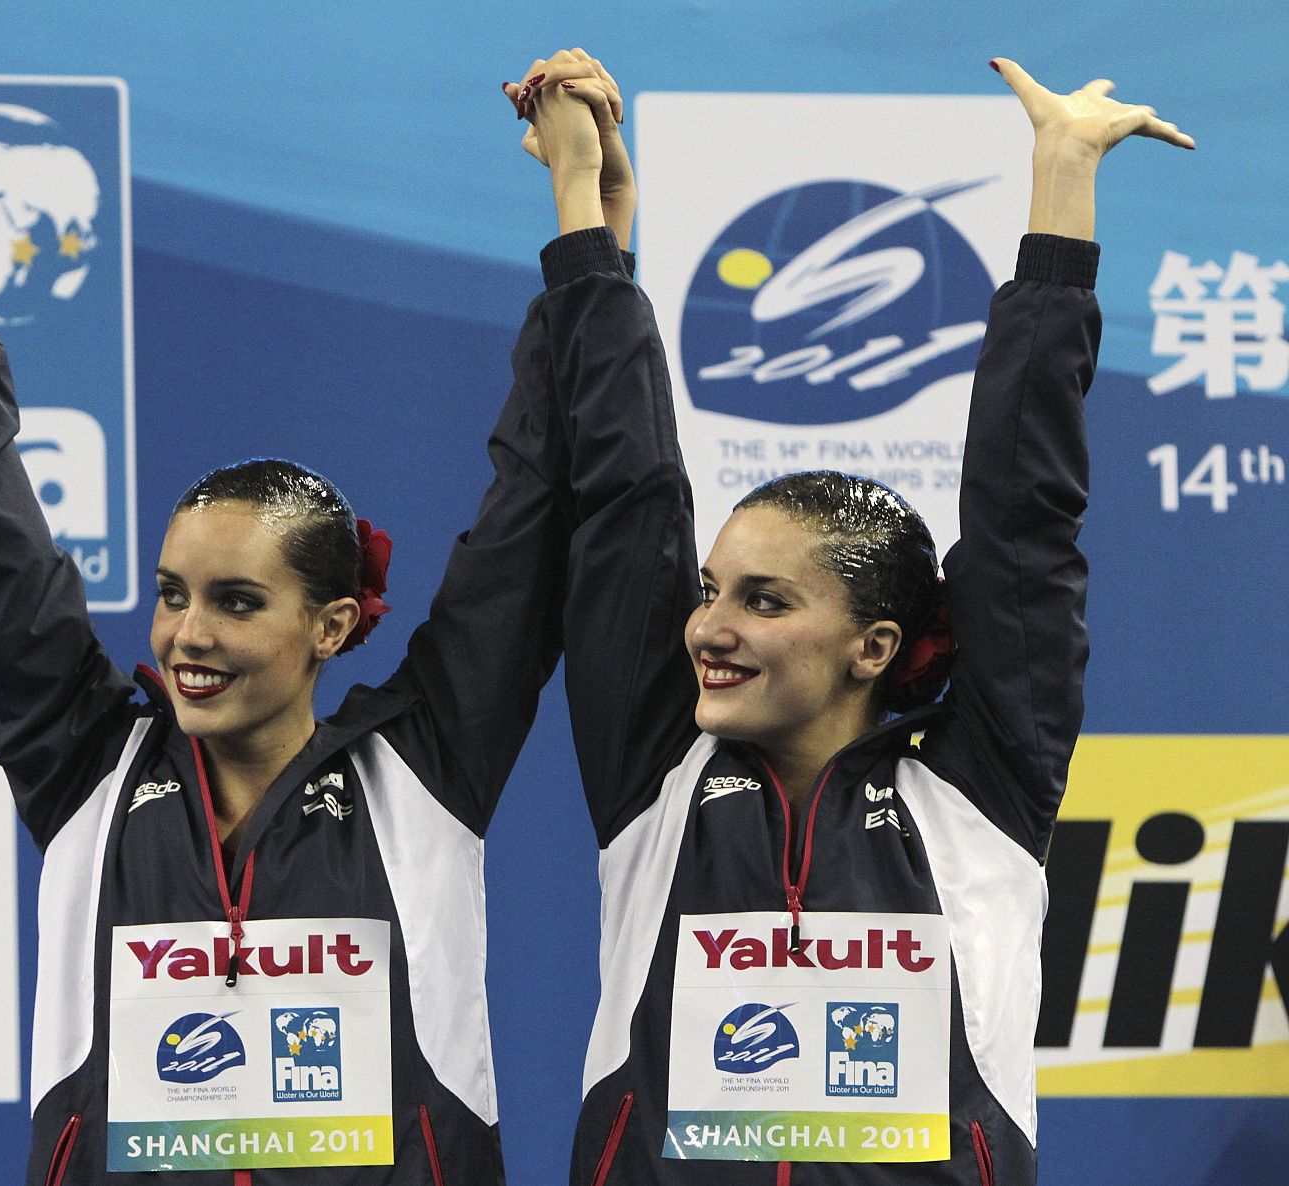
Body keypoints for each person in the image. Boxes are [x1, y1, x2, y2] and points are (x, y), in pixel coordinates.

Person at [0, 61, 625, 1186]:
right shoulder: (83, 759)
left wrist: (589, 219)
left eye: (237, 602)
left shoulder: (423, 763)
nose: (188, 634)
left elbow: (536, 490)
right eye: (174, 592)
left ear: (332, 624)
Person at [504, 54, 1193, 1185]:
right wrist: (586, 210)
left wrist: (1060, 187)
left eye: (765, 600)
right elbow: (627, 492)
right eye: (712, 589)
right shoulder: (656, 766)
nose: (708, 626)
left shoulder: (982, 787)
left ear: (873, 646)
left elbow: (1025, 516)